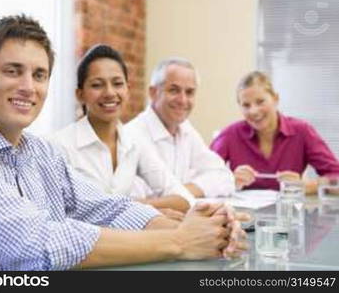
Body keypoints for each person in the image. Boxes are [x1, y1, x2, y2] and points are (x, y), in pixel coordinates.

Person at [0, 15, 247, 271]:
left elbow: (110, 207)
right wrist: (179, 241)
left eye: (39, 75)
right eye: (12, 71)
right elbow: (34, 247)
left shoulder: (41, 153)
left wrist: (204, 231)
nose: (28, 87)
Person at [46, 45, 194, 218]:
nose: (109, 93)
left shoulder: (133, 142)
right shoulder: (57, 147)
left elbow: (184, 198)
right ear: (80, 95)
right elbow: (61, 216)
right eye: (97, 85)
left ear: (127, 90)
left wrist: (139, 206)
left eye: (117, 84)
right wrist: (141, 210)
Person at [210, 71, 339, 194]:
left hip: (288, 213)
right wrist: (230, 180)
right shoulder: (230, 134)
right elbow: (202, 177)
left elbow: (336, 175)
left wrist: (308, 186)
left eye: (260, 102)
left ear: (275, 99)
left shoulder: (302, 131)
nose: (253, 111)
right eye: (246, 105)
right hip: (243, 215)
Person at [125, 58, 235, 198]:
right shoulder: (132, 136)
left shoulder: (185, 129)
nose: (182, 100)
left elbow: (224, 177)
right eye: (174, 90)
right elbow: (137, 199)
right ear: (153, 93)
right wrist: (187, 192)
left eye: (189, 92)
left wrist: (178, 194)